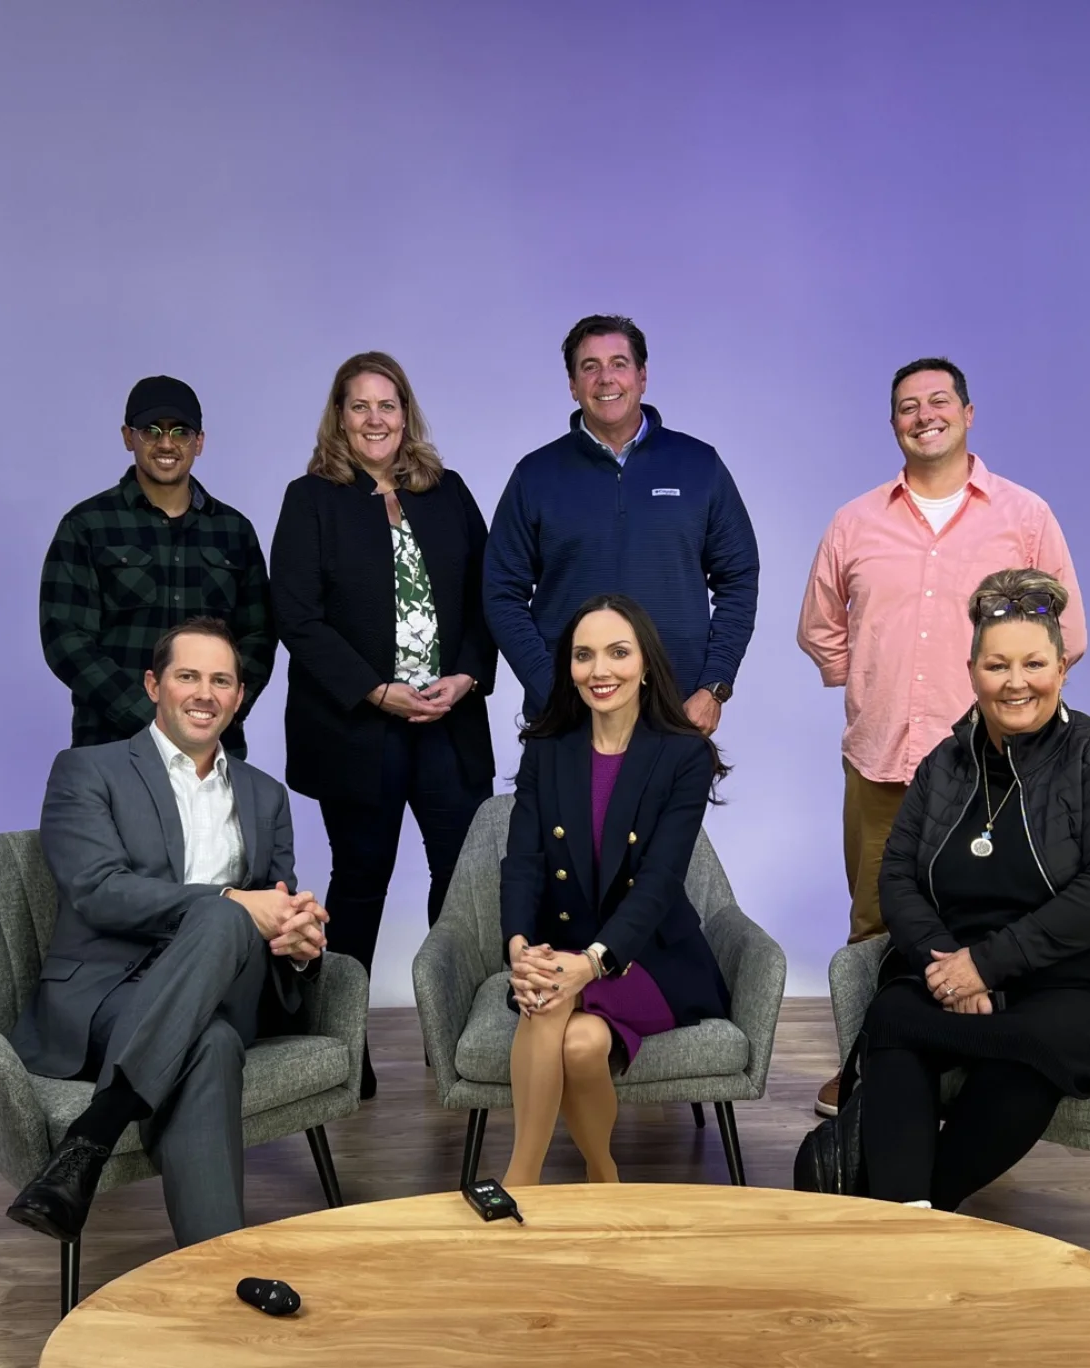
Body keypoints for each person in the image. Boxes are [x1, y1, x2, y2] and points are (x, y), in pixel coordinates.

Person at [797, 357, 1087, 1118]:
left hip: (1000, 771)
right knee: (875, 920)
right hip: (884, 759)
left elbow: (1070, 635)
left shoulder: (1024, 516)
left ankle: (986, 1070)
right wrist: (871, 683)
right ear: (893, 422)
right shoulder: (855, 522)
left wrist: (1012, 702)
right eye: (905, 406)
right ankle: (865, 1069)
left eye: (937, 401)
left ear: (966, 411)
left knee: (996, 915)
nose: (922, 414)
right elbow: (820, 627)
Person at [859, 570, 1090, 1210]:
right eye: (997, 665)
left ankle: (901, 1216)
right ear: (971, 672)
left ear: (1063, 668)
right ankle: (905, 1218)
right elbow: (898, 873)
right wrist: (946, 968)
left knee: (1031, 1047)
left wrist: (988, 965)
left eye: (1034, 663)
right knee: (893, 1016)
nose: (1016, 682)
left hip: (1085, 976)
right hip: (953, 964)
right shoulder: (944, 763)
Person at [6, 618, 327, 1247]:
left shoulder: (267, 796)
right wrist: (234, 901)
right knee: (209, 1044)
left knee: (228, 921)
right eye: (188, 676)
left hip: (227, 983)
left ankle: (91, 1139)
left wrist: (298, 946)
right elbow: (97, 889)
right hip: (107, 995)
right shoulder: (87, 770)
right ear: (155, 685)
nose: (204, 693)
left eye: (221, 680)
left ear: (239, 697)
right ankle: (219, 1269)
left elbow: (281, 906)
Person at [270, 352, 497, 1099]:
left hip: (448, 722)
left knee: (458, 885)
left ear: (408, 415)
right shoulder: (311, 500)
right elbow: (296, 616)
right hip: (359, 727)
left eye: (388, 405)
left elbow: (488, 592)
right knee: (361, 884)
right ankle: (345, 1042)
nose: (375, 419)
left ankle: (451, 1033)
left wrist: (466, 675)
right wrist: (376, 691)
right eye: (360, 406)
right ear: (339, 416)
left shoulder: (448, 492)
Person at [498, 594, 732, 1186]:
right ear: (567, 668)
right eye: (583, 656)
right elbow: (522, 862)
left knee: (554, 1002)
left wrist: (593, 964)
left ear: (646, 663)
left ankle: (518, 1183)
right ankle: (604, 1175)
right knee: (579, 1043)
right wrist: (520, 948)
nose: (600, 670)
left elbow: (658, 884)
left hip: (650, 956)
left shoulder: (684, 755)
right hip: (563, 947)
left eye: (618, 652)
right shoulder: (546, 751)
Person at [484, 315, 760, 729]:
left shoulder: (699, 466)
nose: (605, 379)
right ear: (573, 385)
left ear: (642, 376)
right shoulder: (535, 475)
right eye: (589, 367)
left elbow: (738, 576)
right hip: (567, 722)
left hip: (676, 715)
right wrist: (552, 689)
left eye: (619, 363)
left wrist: (714, 685)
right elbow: (501, 592)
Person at [41, 375, 275, 754]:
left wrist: (218, 711)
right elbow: (65, 639)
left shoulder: (235, 531)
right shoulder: (87, 525)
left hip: (212, 748)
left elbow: (258, 636)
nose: (166, 443)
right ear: (127, 437)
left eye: (180, 432)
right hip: (111, 746)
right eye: (151, 431)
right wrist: (152, 721)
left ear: (198, 442)